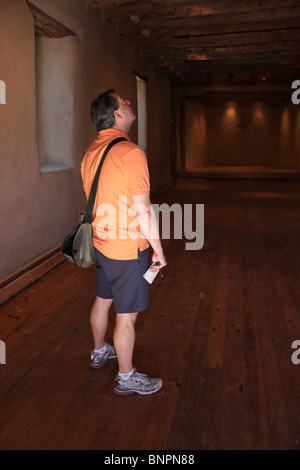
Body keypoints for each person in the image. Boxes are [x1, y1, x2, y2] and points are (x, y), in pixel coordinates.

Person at [81, 89, 167, 396]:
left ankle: (98, 351)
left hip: (102, 244)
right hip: (128, 249)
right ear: (117, 114)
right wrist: (157, 250)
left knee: (103, 299)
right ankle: (126, 377)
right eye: (125, 102)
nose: (129, 103)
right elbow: (142, 210)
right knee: (127, 316)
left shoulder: (92, 151)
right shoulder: (131, 153)